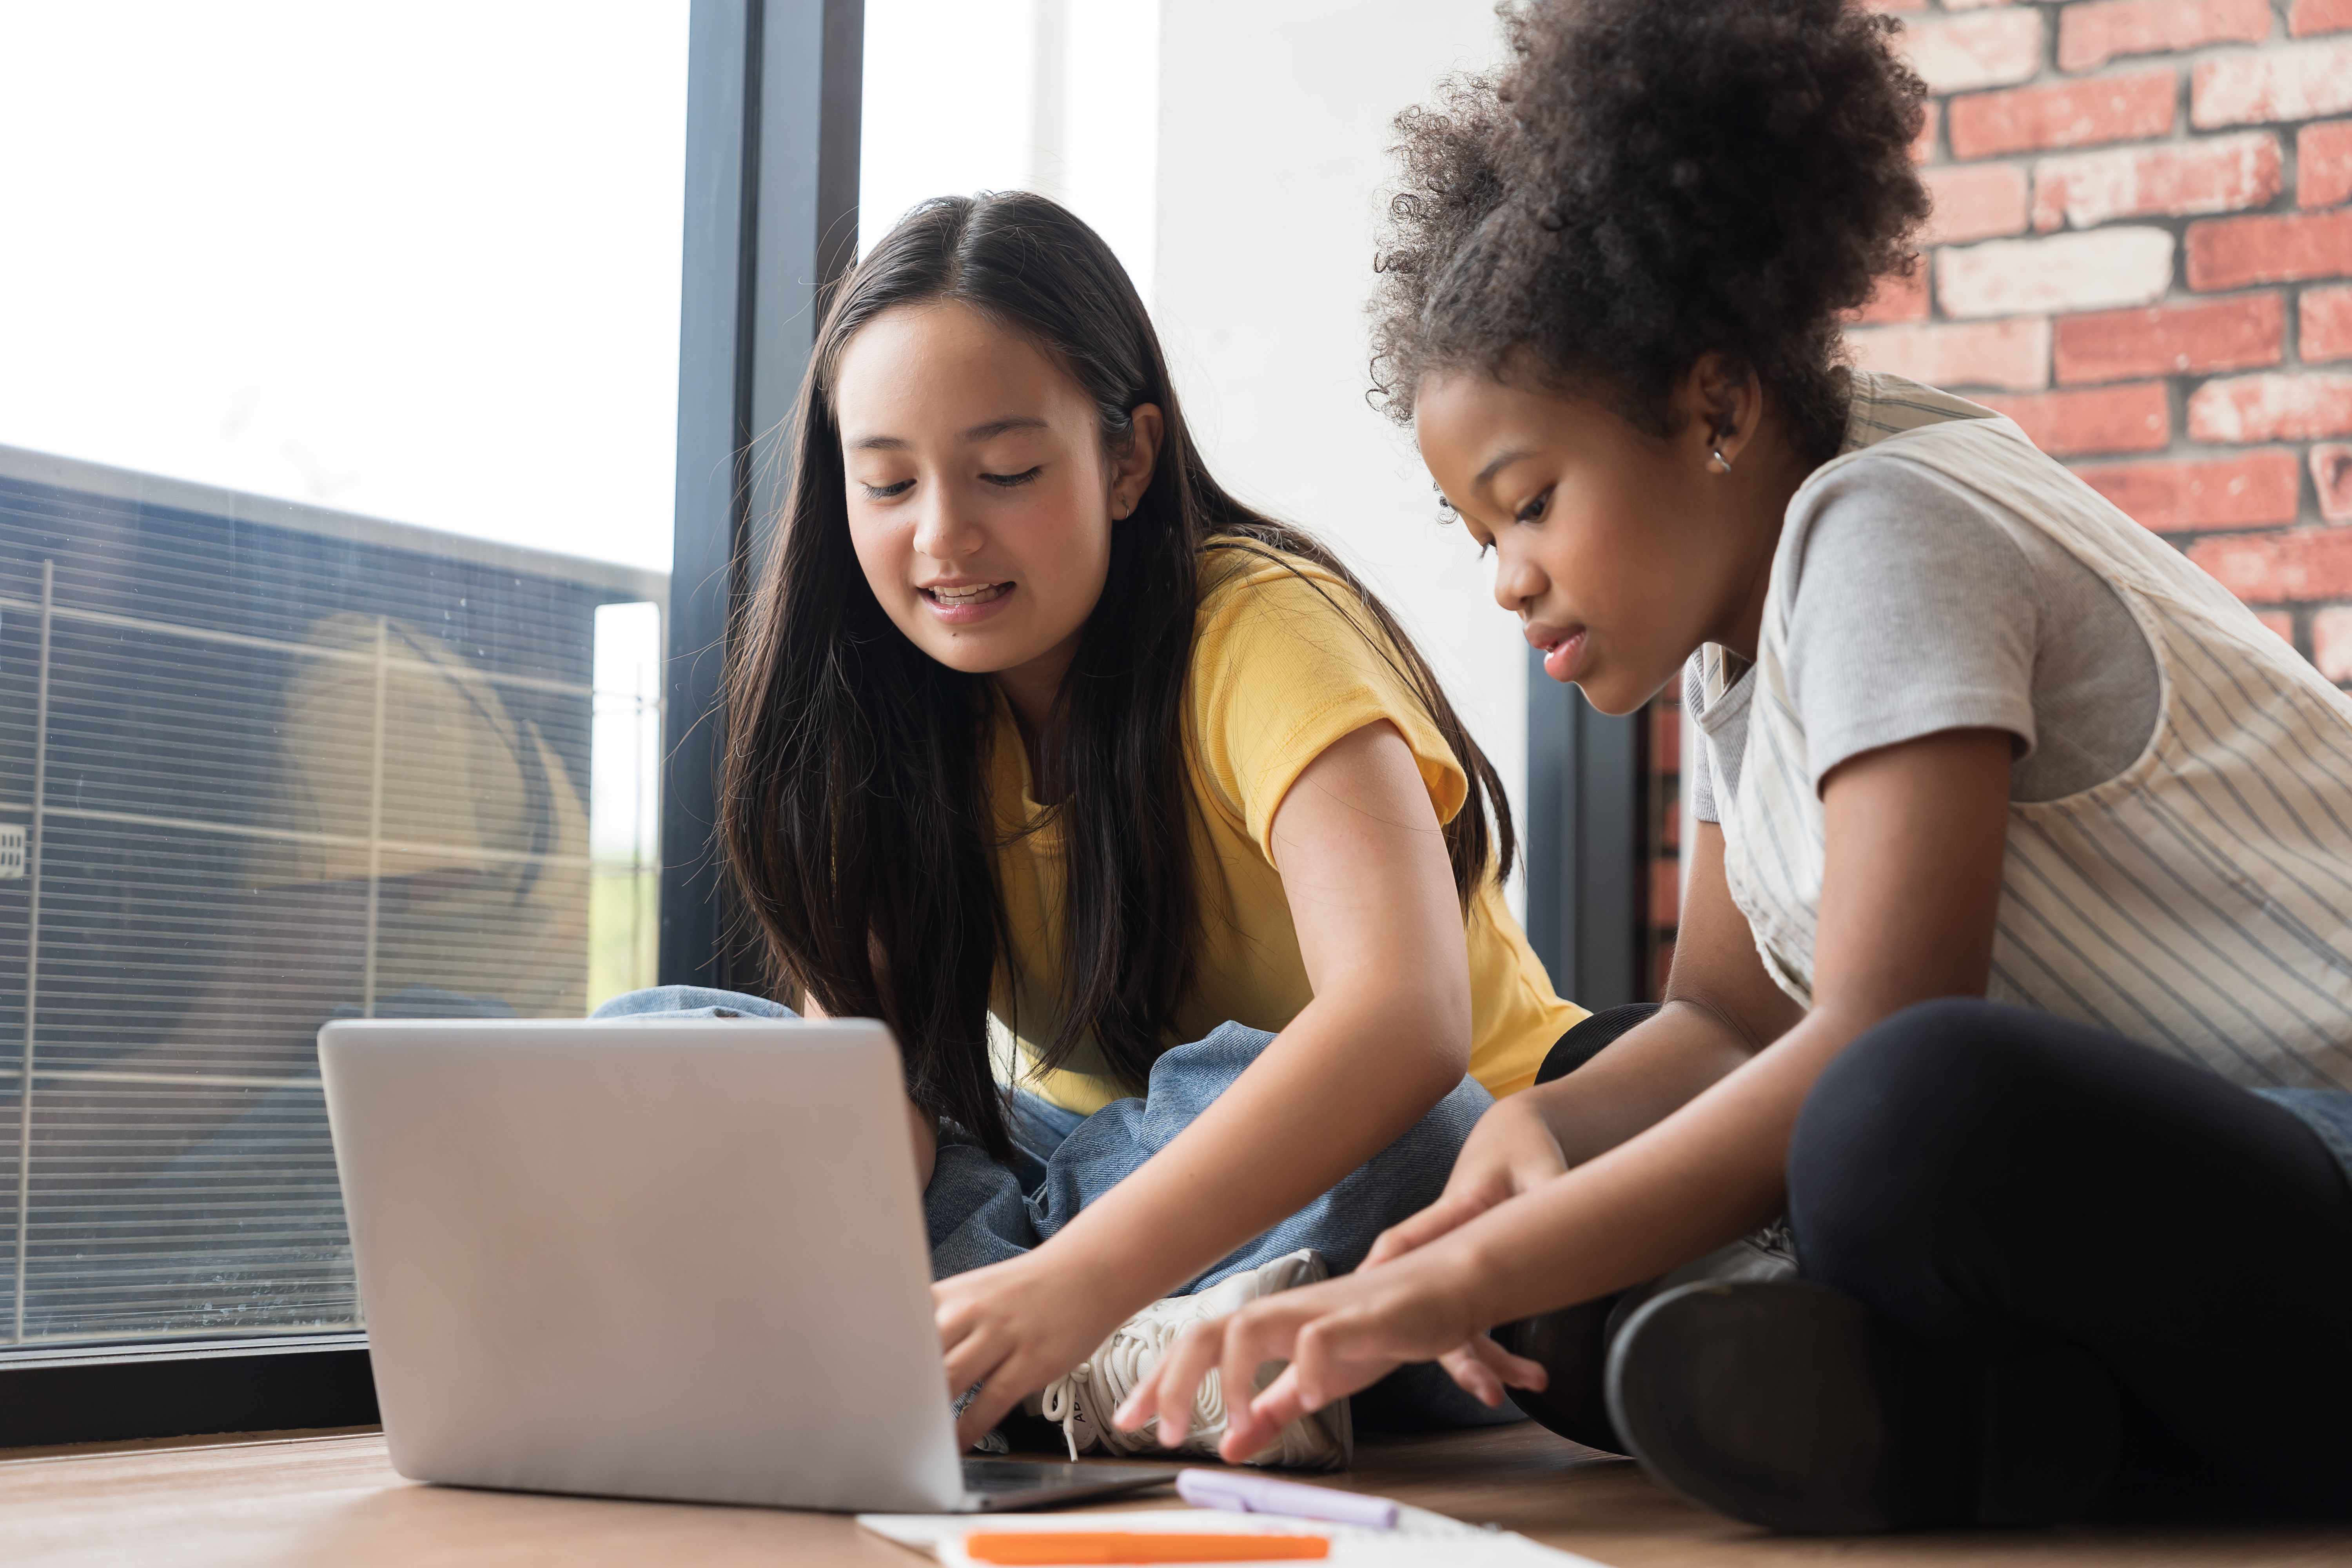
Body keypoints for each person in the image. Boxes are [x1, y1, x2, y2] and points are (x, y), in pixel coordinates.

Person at [1114, 0, 2352, 1530]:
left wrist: (1423, 1286)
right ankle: (1999, 1433)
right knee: (1579, 1227)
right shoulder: (1744, 610)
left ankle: (1976, 1427)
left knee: (1901, 1109)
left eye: (1533, 501)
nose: (1508, 579)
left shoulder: (1888, 530)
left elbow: (1879, 1029)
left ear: (1715, 407)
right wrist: (1542, 1138)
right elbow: (1723, 1012)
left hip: (2316, 1159)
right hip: (2195, 1222)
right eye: (1481, 535)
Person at [597, 190, 1589, 1465]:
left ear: (1127, 460)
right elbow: (868, 1094)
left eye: (1007, 474)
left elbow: (1404, 1024)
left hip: (1408, 1192)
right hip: (1085, 1182)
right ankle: (1115, 1358)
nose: (944, 535)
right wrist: (831, 1193)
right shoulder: (884, 709)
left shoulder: (1259, 626)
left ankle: (1011, 1345)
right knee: (659, 1050)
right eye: (889, 482)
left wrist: (1065, 1286)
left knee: (1423, 1141)